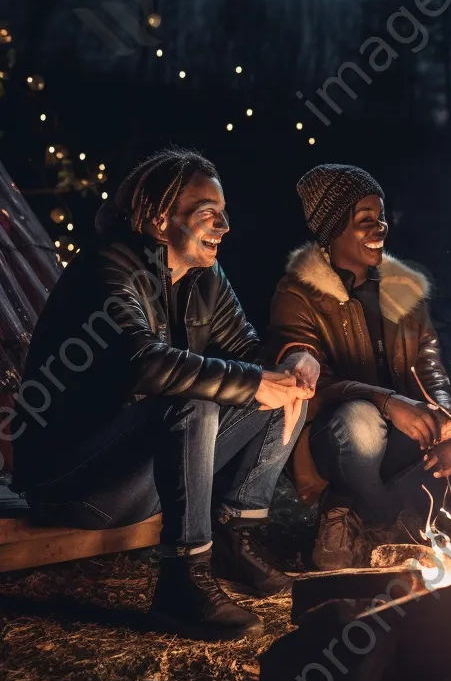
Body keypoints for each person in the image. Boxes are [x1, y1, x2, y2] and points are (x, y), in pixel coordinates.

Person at [13, 148, 314, 640]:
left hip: (142, 474)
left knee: (286, 391)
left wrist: (296, 358)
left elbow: (250, 356)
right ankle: (182, 584)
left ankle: (233, 537)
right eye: (207, 214)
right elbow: (143, 362)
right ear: (158, 216)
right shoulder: (106, 268)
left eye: (224, 214)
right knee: (195, 401)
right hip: (72, 482)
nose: (224, 226)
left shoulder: (205, 277)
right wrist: (256, 380)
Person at [266, 164, 451, 570]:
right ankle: (364, 511)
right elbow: (309, 383)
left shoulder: (403, 289)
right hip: (340, 437)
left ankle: (371, 520)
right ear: (332, 227)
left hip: (406, 432)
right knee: (361, 421)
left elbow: (431, 369)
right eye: (364, 220)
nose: (380, 228)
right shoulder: (297, 293)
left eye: (381, 217)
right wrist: (387, 401)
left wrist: (447, 423)